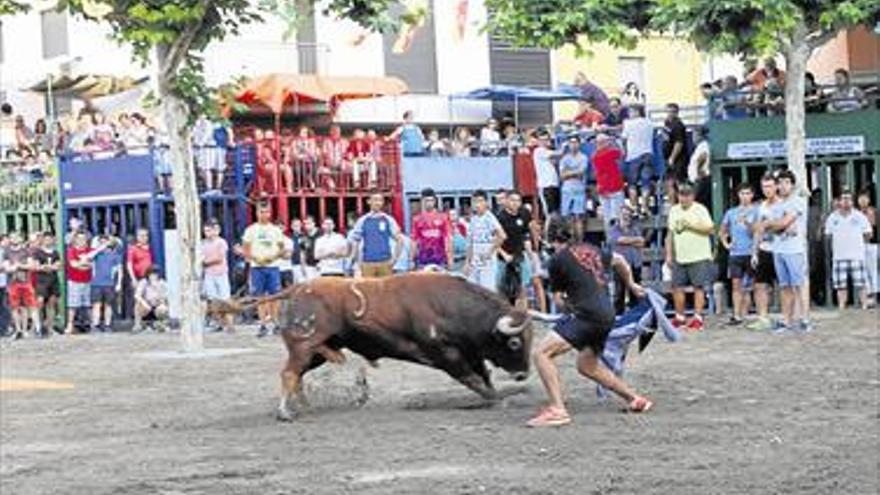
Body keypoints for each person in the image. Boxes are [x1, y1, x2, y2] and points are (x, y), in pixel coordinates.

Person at [528, 224, 652, 427]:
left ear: (553, 242)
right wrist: (631, 284)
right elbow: (619, 260)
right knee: (587, 366)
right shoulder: (592, 250)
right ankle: (634, 399)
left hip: (586, 314)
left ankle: (558, 409)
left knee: (542, 354)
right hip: (607, 313)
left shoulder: (557, 261)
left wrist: (568, 310)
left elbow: (558, 301)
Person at [764, 170, 810, 332]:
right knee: (784, 287)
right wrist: (777, 225)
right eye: (781, 182)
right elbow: (770, 227)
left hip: (794, 250)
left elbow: (783, 223)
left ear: (792, 185)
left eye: (786, 182)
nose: (783, 186)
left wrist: (776, 225)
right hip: (779, 249)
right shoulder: (776, 205)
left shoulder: (798, 202)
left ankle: (804, 319)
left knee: (800, 285)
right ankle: (787, 320)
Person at [665, 182, 715, 331]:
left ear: (692, 196)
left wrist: (690, 226)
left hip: (698, 255)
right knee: (676, 286)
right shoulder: (674, 210)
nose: (684, 198)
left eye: (687, 195)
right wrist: (668, 254)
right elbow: (670, 234)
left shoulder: (700, 209)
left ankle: (698, 317)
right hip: (680, 255)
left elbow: (710, 229)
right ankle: (680, 317)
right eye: (681, 195)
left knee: (698, 287)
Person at [241, 202, 288, 337]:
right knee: (260, 297)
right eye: (261, 212)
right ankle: (263, 324)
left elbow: (282, 249)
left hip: (272, 266)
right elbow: (245, 248)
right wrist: (255, 259)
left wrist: (272, 257)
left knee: (275, 296)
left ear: (270, 213)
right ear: (257, 213)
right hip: (257, 267)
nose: (264, 214)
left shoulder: (275, 230)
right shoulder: (250, 230)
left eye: (267, 211)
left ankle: (275, 323)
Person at [824, 190, 872, 310]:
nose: (846, 201)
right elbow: (828, 235)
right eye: (843, 198)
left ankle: (864, 305)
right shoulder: (832, 217)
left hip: (857, 255)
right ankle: (841, 306)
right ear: (839, 201)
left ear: (852, 201)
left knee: (861, 283)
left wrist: (857, 243)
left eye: (849, 199)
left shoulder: (859, 216)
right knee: (840, 285)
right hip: (839, 255)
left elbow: (868, 233)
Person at [720, 183, 759, 325]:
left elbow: (757, 231)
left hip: (750, 252)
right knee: (736, 285)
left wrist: (747, 223)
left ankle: (746, 314)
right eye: (742, 193)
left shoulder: (756, 211)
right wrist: (726, 244)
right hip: (735, 254)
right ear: (738, 195)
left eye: (748, 193)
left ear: (752, 195)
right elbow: (722, 230)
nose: (745, 196)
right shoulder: (731, 212)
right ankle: (736, 315)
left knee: (751, 286)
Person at [748, 173, 781, 331]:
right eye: (764, 187)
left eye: (769, 186)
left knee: (785, 285)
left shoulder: (783, 205)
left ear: (776, 187)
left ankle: (788, 316)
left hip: (781, 249)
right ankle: (763, 317)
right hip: (764, 249)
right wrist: (754, 252)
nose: (767, 189)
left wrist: (770, 225)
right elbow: (758, 231)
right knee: (760, 285)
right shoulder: (761, 207)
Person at [349, 194, 403, 278]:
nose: (377, 203)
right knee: (368, 290)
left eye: (380, 200)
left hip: (385, 262)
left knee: (386, 290)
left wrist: (394, 259)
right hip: (367, 262)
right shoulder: (363, 220)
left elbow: (399, 239)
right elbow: (355, 241)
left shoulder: (388, 219)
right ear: (369, 202)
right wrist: (358, 261)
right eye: (375, 200)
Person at [495, 191, 533, 309]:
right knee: (502, 288)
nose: (515, 203)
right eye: (512, 200)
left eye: (518, 201)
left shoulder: (524, 213)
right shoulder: (500, 217)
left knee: (523, 288)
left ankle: (522, 316)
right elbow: (493, 240)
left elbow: (526, 235)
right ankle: (504, 315)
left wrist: (530, 254)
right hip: (503, 257)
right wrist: (504, 254)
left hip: (520, 255)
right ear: (506, 201)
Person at [464, 190, 506, 291]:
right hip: (475, 260)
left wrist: (490, 252)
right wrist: (467, 262)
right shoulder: (473, 219)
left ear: (486, 203)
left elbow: (502, 235)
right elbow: (470, 243)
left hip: (487, 261)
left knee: (487, 290)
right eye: (475, 202)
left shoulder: (489, 217)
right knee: (473, 290)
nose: (477, 204)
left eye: (480, 201)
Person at [608, 205, 646, 313]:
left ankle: (635, 316)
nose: (626, 217)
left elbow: (642, 242)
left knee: (636, 293)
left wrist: (628, 241)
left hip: (635, 264)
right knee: (619, 293)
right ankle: (617, 317)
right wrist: (635, 240)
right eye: (624, 214)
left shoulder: (635, 228)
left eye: (628, 214)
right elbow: (619, 240)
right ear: (619, 216)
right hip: (620, 266)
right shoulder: (613, 228)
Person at [65, 231, 104, 335]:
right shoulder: (71, 251)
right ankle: (70, 325)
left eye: (84, 239)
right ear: (75, 240)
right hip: (74, 280)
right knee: (73, 304)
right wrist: (85, 262)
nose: (82, 241)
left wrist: (82, 262)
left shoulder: (90, 250)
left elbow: (92, 265)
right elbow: (73, 265)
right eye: (79, 239)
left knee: (88, 304)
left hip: (88, 280)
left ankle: (93, 325)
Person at [5, 232, 40, 339]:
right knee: (14, 307)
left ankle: (26, 330)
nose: (14, 239)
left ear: (20, 238)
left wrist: (18, 265)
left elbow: (31, 266)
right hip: (13, 282)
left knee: (27, 306)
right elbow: (7, 268)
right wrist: (14, 267)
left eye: (16, 237)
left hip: (25, 282)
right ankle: (18, 329)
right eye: (12, 237)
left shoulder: (26, 251)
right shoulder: (7, 252)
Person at [201, 219, 233, 332]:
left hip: (221, 274)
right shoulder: (203, 243)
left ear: (216, 230)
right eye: (206, 230)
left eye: (210, 230)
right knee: (213, 300)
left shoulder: (221, 242)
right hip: (209, 275)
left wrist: (204, 263)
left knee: (225, 299)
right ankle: (219, 323)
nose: (208, 233)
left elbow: (219, 258)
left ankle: (229, 324)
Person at [410, 188, 453, 269]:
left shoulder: (443, 217)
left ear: (435, 201)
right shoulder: (417, 219)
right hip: (423, 260)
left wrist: (450, 258)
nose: (429, 203)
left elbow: (447, 239)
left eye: (431, 200)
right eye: (426, 200)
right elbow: (414, 241)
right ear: (422, 201)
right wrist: (411, 259)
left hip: (440, 260)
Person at [591, 133, 625, 229]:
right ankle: (616, 239)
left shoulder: (595, 156)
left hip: (602, 188)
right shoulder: (610, 153)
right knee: (617, 217)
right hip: (615, 187)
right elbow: (622, 153)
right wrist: (617, 142)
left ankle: (610, 239)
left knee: (608, 218)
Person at [620, 105, 654, 197]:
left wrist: (624, 151)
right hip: (648, 155)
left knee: (632, 184)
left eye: (630, 112)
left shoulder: (628, 123)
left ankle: (634, 209)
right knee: (646, 183)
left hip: (633, 156)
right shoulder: (649, 123)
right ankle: (645, 208)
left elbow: (623, 139)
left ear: (636, 112)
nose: (629, 114)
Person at [558, 136, 588, 242]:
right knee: (567, 218)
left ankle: (580, 243)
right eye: (571, 143)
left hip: (579, 189)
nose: (573, 145)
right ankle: (571, 242)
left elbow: (582, 172)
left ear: (579, 144)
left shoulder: (583, 157)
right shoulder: (564, 158)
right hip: (566, 190)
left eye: (575, 142)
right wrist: (574, 172)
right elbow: (562, 175)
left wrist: (569, 172)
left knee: (578, 217)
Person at [33, 233, 61, 335]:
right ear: (43, 240)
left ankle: (50, 327)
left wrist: (48, 267)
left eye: (50, 239)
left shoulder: (55, 252)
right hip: (42, 281)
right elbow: (36, 266)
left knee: (52, 303)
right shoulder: (38, 252)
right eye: (46, 239)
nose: (48, 241)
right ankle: (38, 327)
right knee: (39, 303)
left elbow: (58, 265)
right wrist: (46, 267)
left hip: (53, 280)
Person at [857, 190, 878, 307]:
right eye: (861, 198)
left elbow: (872, 226)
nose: (863, 200)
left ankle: (874, 296)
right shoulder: (856, 212)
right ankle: (867, 297)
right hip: (860, 245)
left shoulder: (871, 211)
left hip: (871, 244)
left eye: (865, 198)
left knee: (872, 271)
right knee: (863, 272)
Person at [133, 267, 169, 332]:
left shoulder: (161, 283)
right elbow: (137, 295)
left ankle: (162, 324)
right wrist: (144, 303)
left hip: (156, 305)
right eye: (151, 275)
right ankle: (138, 325)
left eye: (155, 275)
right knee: (138, 305)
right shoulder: (144, 282)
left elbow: (164, 297)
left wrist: (157, 289)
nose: (153, 277)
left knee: (163, 309)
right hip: (146, 306)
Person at [532, 134, 559, 218]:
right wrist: (565, 146)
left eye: (546, 140)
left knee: (555, 212)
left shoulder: (548, 152)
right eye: (542, 140)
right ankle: (547, 231)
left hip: (554, 184)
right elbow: (559, 153)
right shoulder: (538, 150)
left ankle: (554, 230)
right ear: (538, 141)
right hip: (545, 185)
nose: (544, 142)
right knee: (549, 214)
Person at [688, 127, 712, 211]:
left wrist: (698, 172)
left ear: (700, 136)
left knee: (698, 204)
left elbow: (703, 157)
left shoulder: (703, 145)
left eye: (695, 135)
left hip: (701, 180)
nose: (693, 138)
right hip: (698, 180)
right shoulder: (700, 146)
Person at [663, 103, 688, 183]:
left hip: (678, 159)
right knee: (669, 182)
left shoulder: (678, 125)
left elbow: (679, 143)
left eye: (673, 112)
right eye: (668, 112)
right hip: (668, 157)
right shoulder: (667, 123)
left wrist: (672, 158)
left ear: (677, 113)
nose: (670, 114)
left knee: (677, 182)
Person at [126, 228, 153, 293]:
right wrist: (133, 279)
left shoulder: (150, 248)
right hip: (139, 278)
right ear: (137, 237)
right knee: (138, 297)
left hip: (150, 278)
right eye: (142, 236)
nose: (144, 238)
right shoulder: (133, 249)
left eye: (146, 235)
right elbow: (129, 265)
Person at [300, 216, 321, 281]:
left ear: (314, 223)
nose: (307, 226)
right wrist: (303, 266)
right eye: (305, 224)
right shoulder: (304, 237)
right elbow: (302, 252)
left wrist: (321, 263)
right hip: (308, 266)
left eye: (309, 223)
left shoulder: (321, 234)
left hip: (321, 266)